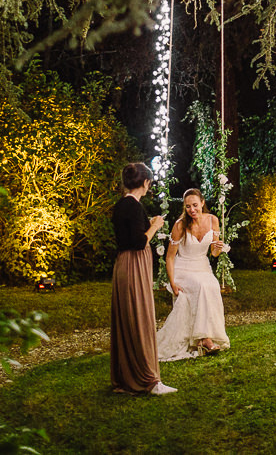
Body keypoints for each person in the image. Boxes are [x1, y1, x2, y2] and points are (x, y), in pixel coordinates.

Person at [110, 162, 177, 395]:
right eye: (149, 182)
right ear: (145, 182)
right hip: (135, 264)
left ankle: (126, 377)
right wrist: (155, 226)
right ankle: (149, 380)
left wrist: (146, 228)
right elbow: (139, 242)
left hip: (122, 265)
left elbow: (129, 236)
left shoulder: (120, 205)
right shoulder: (135, 207)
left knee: (127, 318)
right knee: (140, 317)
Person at [155, 188, 231, 361]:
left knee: (211, 285)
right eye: (188, 206)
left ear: (202, 203)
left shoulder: (213, 220)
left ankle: (209, 335)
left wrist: (217, 249)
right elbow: (170, 257)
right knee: (202, 285)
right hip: (183, 269)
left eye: (195, 205)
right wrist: (172, 283)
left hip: (202, 266)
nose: (192, 210)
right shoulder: (180, 225)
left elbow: (213, 253)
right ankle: (205, 339)